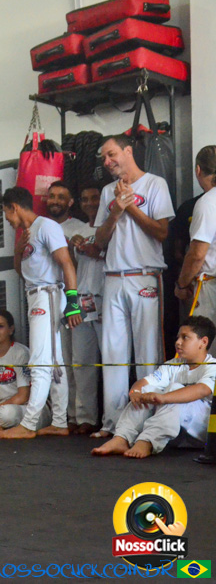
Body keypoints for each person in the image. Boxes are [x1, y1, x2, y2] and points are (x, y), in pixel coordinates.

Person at [92, 134, 174, 438]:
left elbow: (162, 232)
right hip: (113, 277)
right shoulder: (107, 192)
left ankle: (146, 425)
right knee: (113, 354)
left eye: (111, 154)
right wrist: (116, 209)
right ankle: (113, 425)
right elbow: (99, 241)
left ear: (128, 151)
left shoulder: (155, 184)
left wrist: (130, 207)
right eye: (104, 157)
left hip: (145, 276)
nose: (107, 161)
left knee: (148, 353)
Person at [0, 186, 82, 440]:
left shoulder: (46, 226)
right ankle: (59, 422)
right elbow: (21, 271)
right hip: (35, 294)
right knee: (54, 362)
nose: (7, 219)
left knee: (40, 360)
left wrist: (73, 302)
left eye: (6, 213)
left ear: (14, 207)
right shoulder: (27, 234)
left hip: (48, 294)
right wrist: (17, 251)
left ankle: (29, 423)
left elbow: (66, 263)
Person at [92, 316, 216, 458]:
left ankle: (147, 441)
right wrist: (136, 392)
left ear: (203, 342)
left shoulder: (212, 366)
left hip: (202, 432)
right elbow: (145, 383)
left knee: (174, 390)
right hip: (175, 435)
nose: (178, 342)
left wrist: (163, 398)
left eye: (185, 337)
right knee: (147, 391)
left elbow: (202, 389)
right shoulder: (173, 364)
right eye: (178, 338)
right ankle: (121, 438)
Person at [48, 181, 88, 430]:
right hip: (49, 298)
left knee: (79, 361)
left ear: (71, 202)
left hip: (75, 298)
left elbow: (81, 266)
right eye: (51, 196)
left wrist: (70, 247)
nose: (55, 201)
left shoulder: (80, 228)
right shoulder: (41, 226)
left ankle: (82, 416)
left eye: (61, 197)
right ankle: (64, 417)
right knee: (58, 361)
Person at [66, 185, 106, 435]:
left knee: (110, 360)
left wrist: (97, 252)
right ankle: (85, 417)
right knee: (81, 361)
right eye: (85, 199)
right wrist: (71, 246)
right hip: (81, 299)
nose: (90, 203)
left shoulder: (111, 227)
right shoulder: (77, 231)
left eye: (95, 198)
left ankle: (111, 418)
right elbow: (70, 269)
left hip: (105, 297)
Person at [176, 147, 216, 334]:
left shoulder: (208, 202)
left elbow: (197, 254)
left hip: (211, 287)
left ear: (198, 170)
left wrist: (182, 285)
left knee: (206, 345)